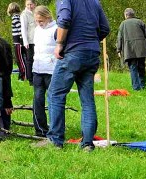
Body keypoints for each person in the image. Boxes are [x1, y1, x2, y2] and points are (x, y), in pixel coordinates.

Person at [34, 0, 110, 150]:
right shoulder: (94, 2)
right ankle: (87, 143)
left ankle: (55, 140)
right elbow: (105, 28)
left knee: (55, 94)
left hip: (73, 53)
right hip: (92, 53)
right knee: (87, 99)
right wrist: (92, 41)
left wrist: (60, 44)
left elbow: (65, 19)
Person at [31, 4, 56, 137]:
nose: (39, 23)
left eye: (41, 21)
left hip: (51, 71)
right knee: (37, 100)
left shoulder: (56, 29)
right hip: (38, 69)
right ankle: (40, 130)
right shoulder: (37, 30)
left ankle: (55, 129)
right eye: (36, 21)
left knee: (53, 100)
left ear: (47, 17)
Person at [116, 7, 146, 91]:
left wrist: (119, 49)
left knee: (133, 67)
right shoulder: (140, 22)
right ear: (133, 15)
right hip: (141, 48)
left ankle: (136, 88)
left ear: (126, 15)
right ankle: (143, 86)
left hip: (129, 49)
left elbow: (119, 38)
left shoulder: (123, 24)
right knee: (141, 66)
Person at [7, 3, 26, 81]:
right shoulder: (18, 16)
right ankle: (22, 74)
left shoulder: (15, 17)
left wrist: (21, 42)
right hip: (19, 42)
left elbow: (20, 30)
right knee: (21, 59)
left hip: (18, 43)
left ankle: (23, 76)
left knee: (20, 60)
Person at [0, 34, 13, 137]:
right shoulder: (5, 44)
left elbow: (6, 74)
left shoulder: (4, 45)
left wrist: (8, 101)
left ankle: (2, 130)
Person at [20, 0, 34, 86]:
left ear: (34, 4)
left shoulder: (36, 12)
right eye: (28, 4)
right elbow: (23, 29)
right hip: (29, 41)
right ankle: (30, 79)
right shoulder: (24, 14)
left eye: (31, 4)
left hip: (37, 40)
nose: (29, 6)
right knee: (29, 60)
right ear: (25, 5)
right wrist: (25, 41)